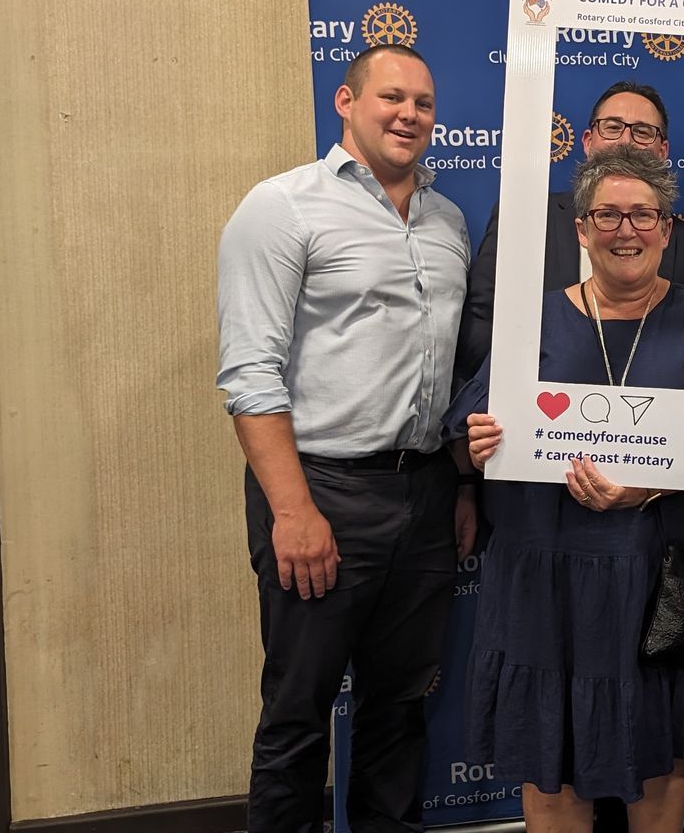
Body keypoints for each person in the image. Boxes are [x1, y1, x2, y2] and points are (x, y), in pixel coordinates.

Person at [448, 146, 684, 832]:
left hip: (661, 572)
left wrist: (643, 490)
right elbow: (474, 418)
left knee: (660, 764)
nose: (628, 230)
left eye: (644, 214)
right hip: (545, 576)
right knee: (550, 763)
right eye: (608, 214)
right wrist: (478, 439)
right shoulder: (532, 316)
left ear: (669, 227)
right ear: (581, 229)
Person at [217, 43, 475, 833]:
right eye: (392, 97)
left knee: (400, 709)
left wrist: (461, 485)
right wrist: (292, 512)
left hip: (425, 492)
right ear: (346, 100)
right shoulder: (281, 206)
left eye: (424, 103)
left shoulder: (448, 219)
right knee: (298, 712)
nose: (410, 115)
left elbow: (459, 367)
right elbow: (249, 373)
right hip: (322, 490)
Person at [454, 80, 684, 390]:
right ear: (587, 141)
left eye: (643, 131)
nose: (626, 141)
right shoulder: (523, 218)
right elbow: (480, 326)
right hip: (543, 420)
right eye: (612, 127)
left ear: (663, 151)